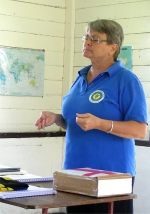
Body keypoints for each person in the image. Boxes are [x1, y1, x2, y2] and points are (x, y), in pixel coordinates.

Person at [35, 19, 147, 214]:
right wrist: (57, 118)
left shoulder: (126, 80)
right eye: (86, 37)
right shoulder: (80, 78)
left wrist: (100, 124)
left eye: (95, 39)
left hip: (111, 178)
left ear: (113, 47)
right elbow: (77, 123)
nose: (87, 42)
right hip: (74, 174)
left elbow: (139, 130)